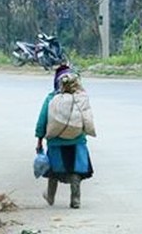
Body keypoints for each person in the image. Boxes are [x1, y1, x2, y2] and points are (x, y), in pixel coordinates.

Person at [34, 71, 96, 209]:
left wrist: (39, 139)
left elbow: (42, 121)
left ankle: (50, 196)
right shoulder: (80, 98)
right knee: (76, 170)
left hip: (56, 142)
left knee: (54, 171)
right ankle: (75, 199)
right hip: (77, 142)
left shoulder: (51, 98)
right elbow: (88, 119)